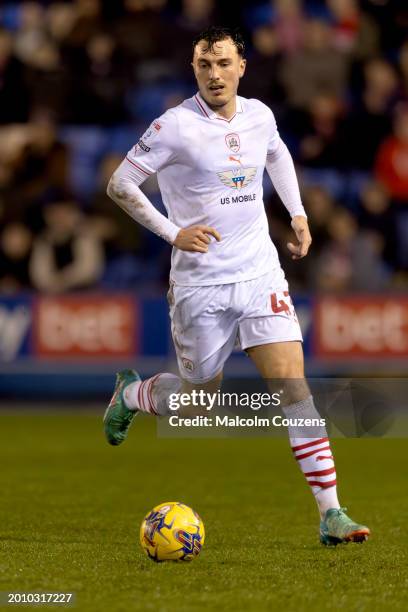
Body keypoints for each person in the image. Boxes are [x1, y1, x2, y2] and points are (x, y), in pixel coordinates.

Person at [104, 26, 370, 546]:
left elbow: (278, 155)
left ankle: (331, 513)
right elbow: (120, 183)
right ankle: (132, 394)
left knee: (294, 387)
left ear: (241, 66)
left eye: (223, 63)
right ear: (194, 69)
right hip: (201, 284)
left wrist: (297, 214)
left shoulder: (260, 115)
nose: (214, 74)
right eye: (204, 65)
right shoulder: (174, 126)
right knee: (201, 401)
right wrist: (172, 231)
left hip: (259, 273)